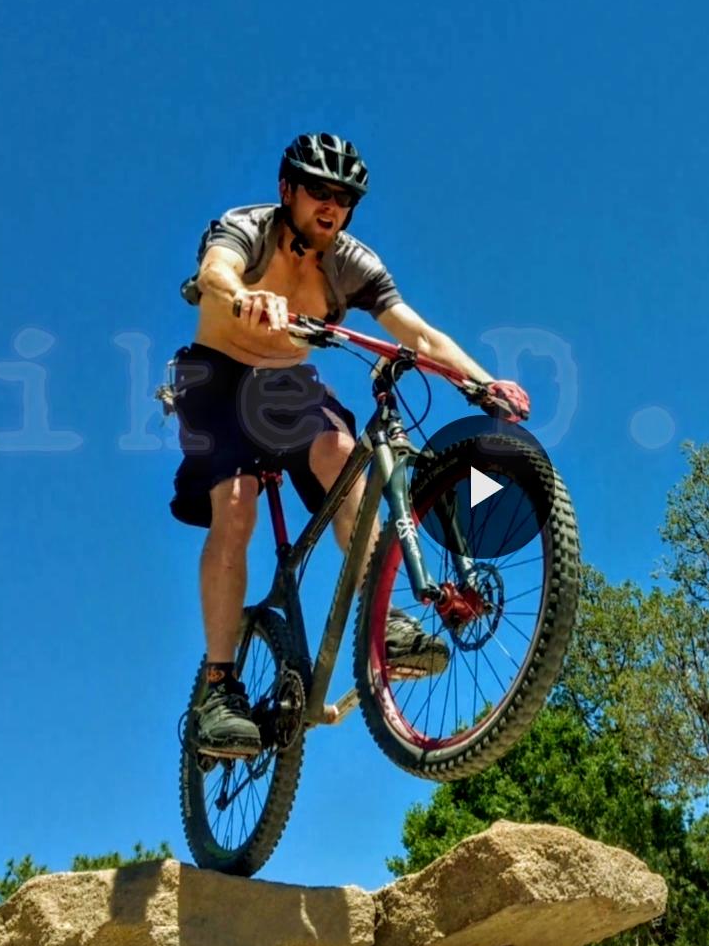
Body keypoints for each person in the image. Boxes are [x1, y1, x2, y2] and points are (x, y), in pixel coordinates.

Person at [171, 133, 531, 758]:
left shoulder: (353, 264)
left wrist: (481, 382)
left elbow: (414, 331)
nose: (330, 206)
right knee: (236, 505)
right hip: (216, 376)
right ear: (288, 190)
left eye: (344, 197)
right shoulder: (247, 227)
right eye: (318, 191)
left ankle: (381, 618)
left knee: (342, 453)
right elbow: (215, 273)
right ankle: (219, 688)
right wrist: (245, 295)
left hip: (284, 387)